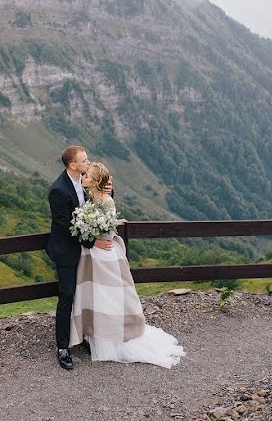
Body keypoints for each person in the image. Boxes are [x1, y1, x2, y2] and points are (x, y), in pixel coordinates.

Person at [70, 162, 185, 368]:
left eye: (87, 176)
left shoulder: (106, 202)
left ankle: (112, 336)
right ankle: (94, 334)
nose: (83, 178)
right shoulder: (90, 197)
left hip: (104, 253)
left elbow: (107, 230)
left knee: (110, 295)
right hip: (92, 253)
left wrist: (93, 233)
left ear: (95, 181)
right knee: (95, 295)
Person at [46, 145, 113, 370]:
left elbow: (101, 194)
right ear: (72, 165)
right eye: (84, 161)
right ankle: (62, 347)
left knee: (86, 293)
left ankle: (84, 336)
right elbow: (66, 227)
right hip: (66, 250)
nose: (88, 163)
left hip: (85, 248)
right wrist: (95, 242)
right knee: (67, 295)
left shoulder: (85, 178)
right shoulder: (58, 190)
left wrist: (109, 191)